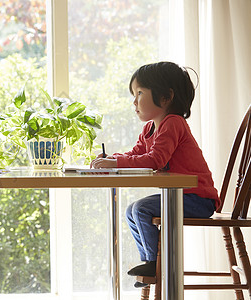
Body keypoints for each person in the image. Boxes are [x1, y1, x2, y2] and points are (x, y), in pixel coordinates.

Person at [90, 62, 219, 288]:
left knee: (140, 209)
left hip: (198, 198)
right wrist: (113, 158)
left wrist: (115, 162)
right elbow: (137, 153)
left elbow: (154, 160)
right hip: (181, 195)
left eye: (139, 93)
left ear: (166, 97)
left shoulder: (173, 123)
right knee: (132, 211)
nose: (134, 101)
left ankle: (153, 263)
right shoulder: (150, 128)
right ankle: (152, 262)